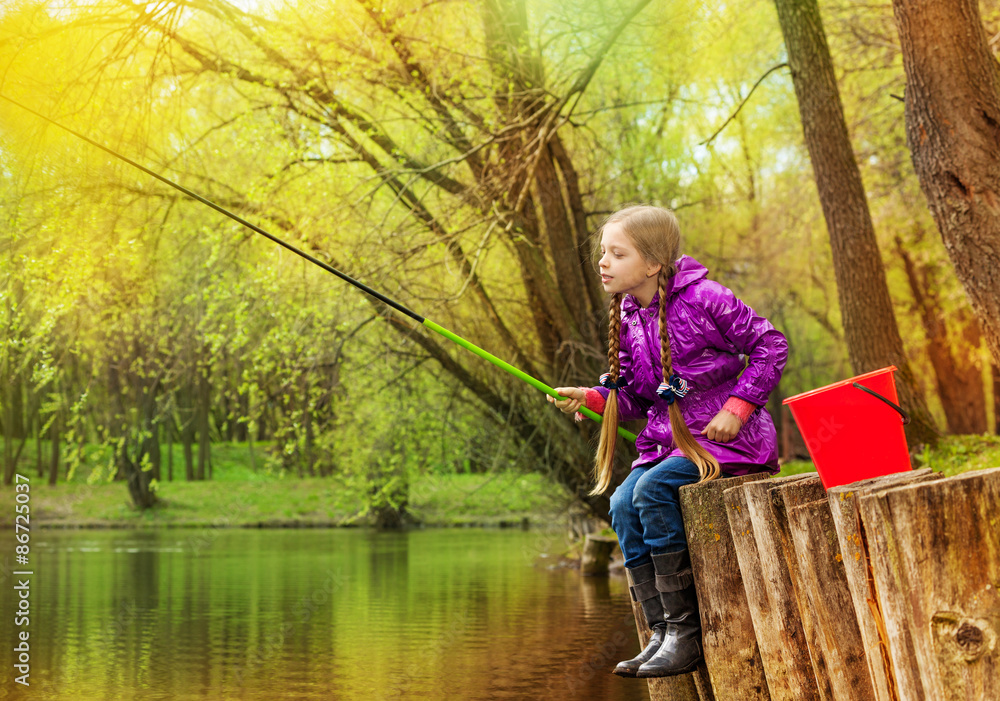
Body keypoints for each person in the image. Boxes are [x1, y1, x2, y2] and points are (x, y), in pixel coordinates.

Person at [548, 205, 787, 679]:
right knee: (621, 503)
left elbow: (770, 345)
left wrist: (736, 408)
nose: (603, 263)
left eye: (617, 254)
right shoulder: (631, 314)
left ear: (653, 263)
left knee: (650, 490)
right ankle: (661, 630)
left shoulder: (705, 298)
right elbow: (642, 396)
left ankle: (686, 632)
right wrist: (596, 398)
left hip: (728, 443)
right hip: (669, 442)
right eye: (603, 253)